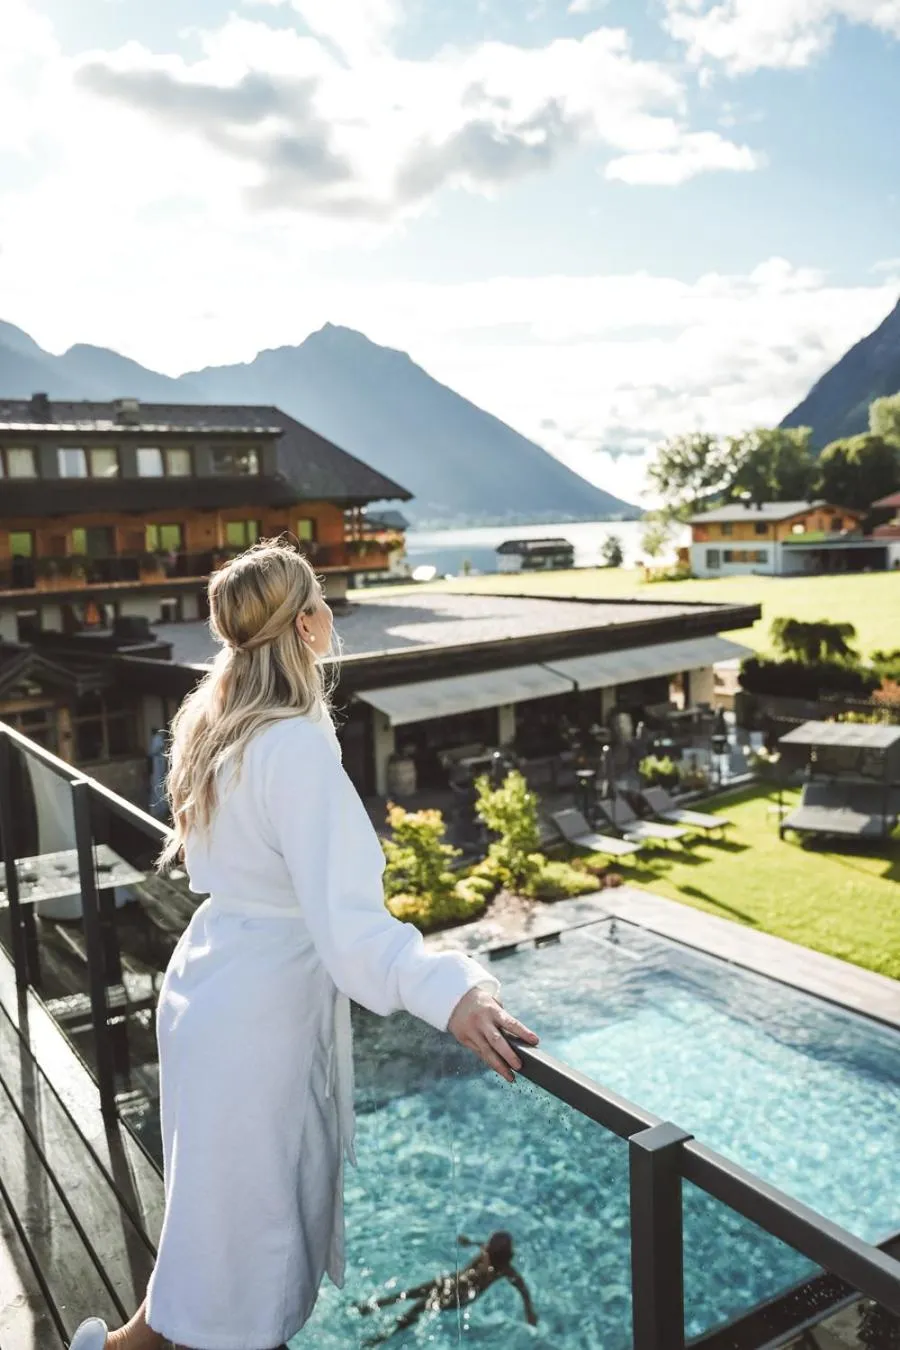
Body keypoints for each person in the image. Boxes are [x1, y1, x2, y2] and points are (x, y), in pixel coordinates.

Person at [70, 539, 538, 1350]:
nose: (330, 613)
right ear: (305, 626)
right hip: (259, 1017)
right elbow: (349, 926)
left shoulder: (217, 723)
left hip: (209, 985)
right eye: (320, 600)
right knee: (248, 1237)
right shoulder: (289, 744)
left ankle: (127, 1345)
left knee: (211, 1209)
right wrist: (449, 989)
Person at [357, 1231, 537, 1344]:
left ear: (501, 1258)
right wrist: (469, 1242)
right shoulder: (487, 1250)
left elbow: (524, 1291)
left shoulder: (505, 1270)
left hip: (463, 1295)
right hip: (453, 1280)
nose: (485, 1251)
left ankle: (381, 1338)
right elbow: (480, 1244)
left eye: (489, 1251)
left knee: (420, 1306)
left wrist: (529, 1312)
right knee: (412, 1292)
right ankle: (369, 1308)